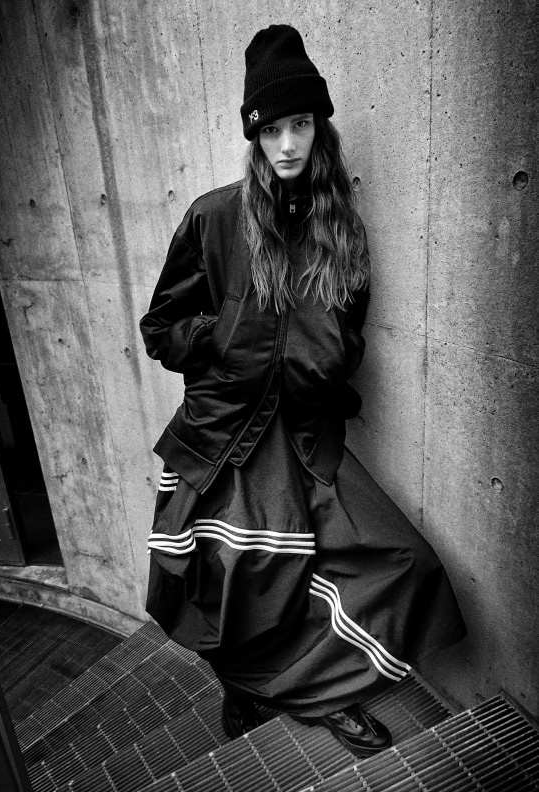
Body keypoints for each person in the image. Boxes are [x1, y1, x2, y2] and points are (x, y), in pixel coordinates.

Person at [140, 24, 466, 757]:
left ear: (319, 129)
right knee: (235, 584)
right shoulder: (213, 217)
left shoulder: (339, 230)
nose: (287, 144)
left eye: (301, 125)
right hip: (224, 437)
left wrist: (324, 356)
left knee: (402, 565)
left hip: (308, 434)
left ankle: (320, 689)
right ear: (252, 137)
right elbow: (161, 329)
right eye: (272, 129)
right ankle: (249, 685)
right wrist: (225, 336)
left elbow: (345, 341)